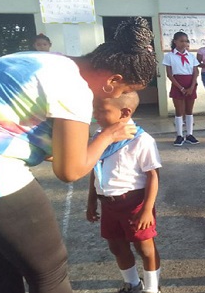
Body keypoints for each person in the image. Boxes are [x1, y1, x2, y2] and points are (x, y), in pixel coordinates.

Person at [0, 17, 156, 293]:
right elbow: (70, 171)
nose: (124, 96)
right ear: (113, 80)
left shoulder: (42, 59)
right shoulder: (75, 88)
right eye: (125, 90)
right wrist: (109, 135)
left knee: (2, 267)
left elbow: (18, 124)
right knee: (50, 274)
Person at [87, 92, 162, 293]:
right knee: (116, 246)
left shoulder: (141, 140)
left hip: (134, 203)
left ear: (125, 112)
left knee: (145, 248)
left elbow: (153, 176)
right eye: (95, 109)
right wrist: (91, 201)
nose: (96, 115)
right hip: (108, 202)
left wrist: (147, 209)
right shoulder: (99, 136)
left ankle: (152, 288)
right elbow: (96, 169)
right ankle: (133, 284)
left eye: (102, 111)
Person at [163, 31, 200, 146]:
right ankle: (179, 135)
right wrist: (181, 88)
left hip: (190, 85)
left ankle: (189, 134)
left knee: (189, 111)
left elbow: (195, 72)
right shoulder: (169, 56)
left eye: (186, 41)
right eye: (181, 41)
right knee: (179, 111)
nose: (184, 43)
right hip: (178, 84)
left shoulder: (191, 56)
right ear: (175, 42)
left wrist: (191, 87)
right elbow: (169, 74)